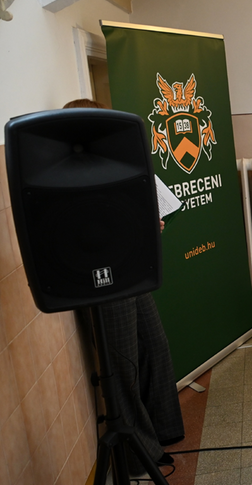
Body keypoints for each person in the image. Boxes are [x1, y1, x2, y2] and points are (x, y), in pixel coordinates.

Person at [63, 99, 185, 473]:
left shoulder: (110, 165)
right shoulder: (65, 176)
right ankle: (138, 454)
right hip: (101, 279)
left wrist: (148, 222)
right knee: (122, 365)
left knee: (154, 346)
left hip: (130, 268)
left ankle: (162, 430)